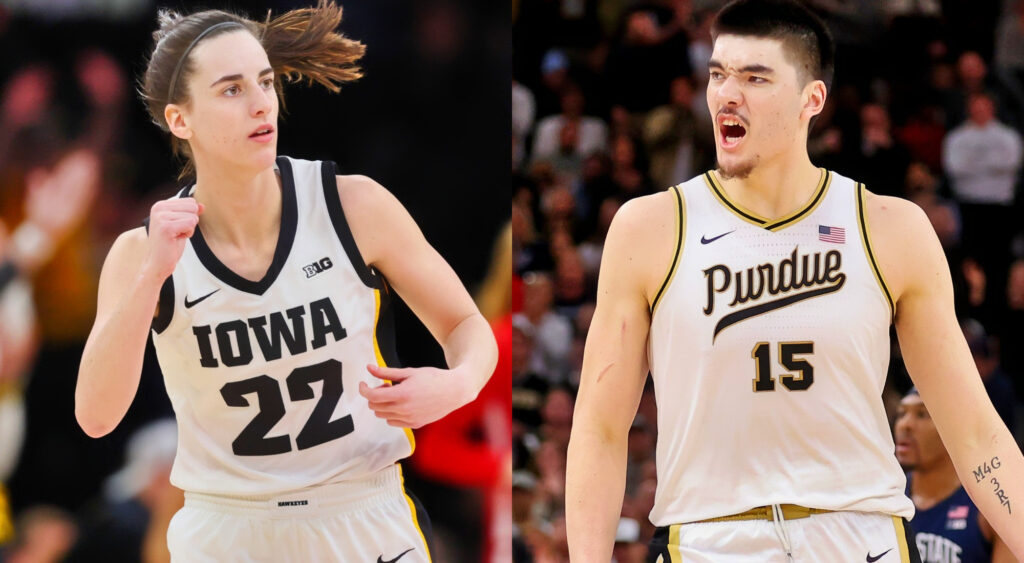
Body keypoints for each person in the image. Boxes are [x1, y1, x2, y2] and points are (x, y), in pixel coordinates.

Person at [564, 0, 1024, 560]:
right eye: (717, 74)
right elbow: (600, 431)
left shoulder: (890, 228)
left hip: (860, 535)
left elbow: (976, 434)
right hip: (712, 538)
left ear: (813, 99)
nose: (727, 95)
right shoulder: (650, 228)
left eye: (755, 77)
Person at [73, 2, 497, 561]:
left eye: (265, 82)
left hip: (361, 512)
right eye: (231, 89)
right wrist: (152, 276)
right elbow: (96, 417)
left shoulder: (354, 205)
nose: (260, 104)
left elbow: (468, 324)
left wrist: (458, 383)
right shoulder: (141, 253)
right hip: (226, 528)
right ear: (181, 119)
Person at [896, 388, 1014, 562]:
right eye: (901, 413)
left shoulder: (990, 505)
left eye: (922, 414)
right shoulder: (886, 494)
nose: (905, 424)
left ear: (955, 430)